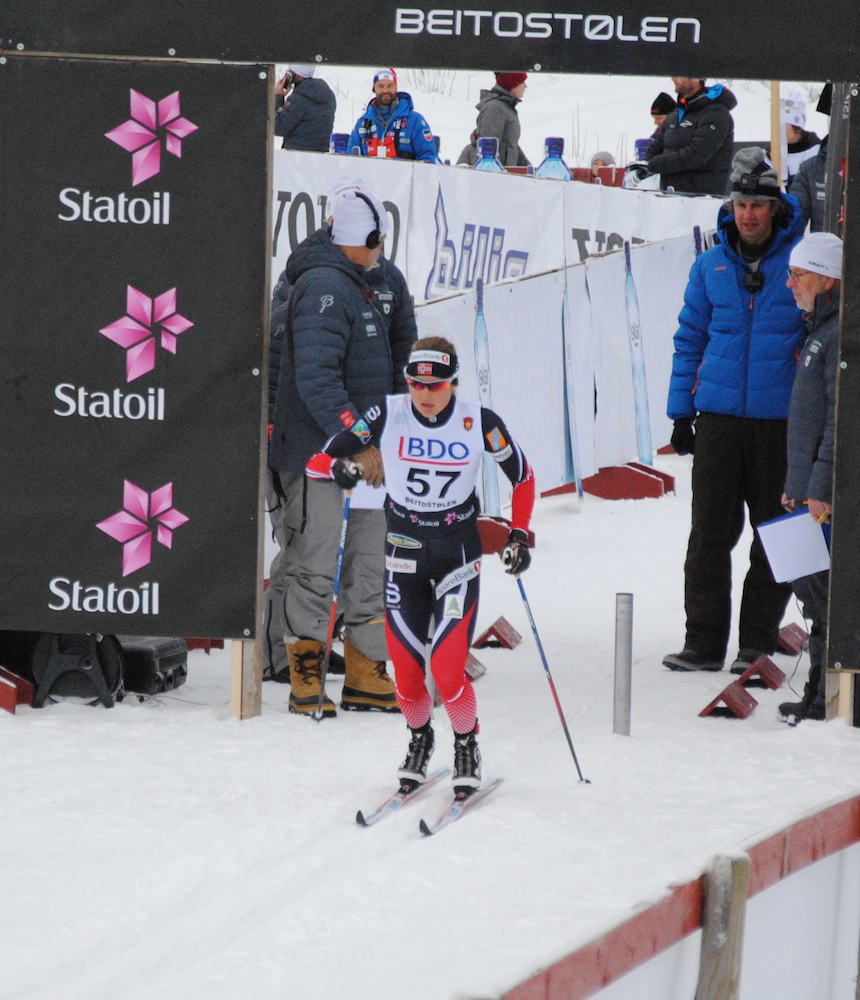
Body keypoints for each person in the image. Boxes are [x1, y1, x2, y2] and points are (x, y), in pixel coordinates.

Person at [306, 337, 535, 797]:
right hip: (404, 552)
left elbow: (523, 476)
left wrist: (520, 535)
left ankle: (466, 743)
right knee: (407, 674)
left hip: (457, 554)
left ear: (453, 383)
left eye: (436, 385)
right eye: (416, 383)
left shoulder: (479, 422)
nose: (425, 394)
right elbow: (317, 462)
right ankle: (420, 739)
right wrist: (340, 470)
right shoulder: (388, 413)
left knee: (448, 671)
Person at [270, 178, 415, 717]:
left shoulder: (362, 278)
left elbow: (394, 361)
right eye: (375, 242)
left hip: (365, 448)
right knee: (313, 561)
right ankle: (305, 675)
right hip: (321, 451)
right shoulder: (324, 286)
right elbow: (316, 377)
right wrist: (358, 440)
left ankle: (365, 670)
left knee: (370, 560)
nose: (380, 253)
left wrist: (386, 435)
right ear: (360, 238)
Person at [663, 147, 807, 674]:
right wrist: (682, 412)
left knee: (780, 534)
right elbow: (689, 338)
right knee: (708, 537)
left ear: (775, 208)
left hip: (780, 424)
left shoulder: (800, 263)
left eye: (758, 205)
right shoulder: (711, 264)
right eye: (741, 204)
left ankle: (757, 643)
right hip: (720, 420)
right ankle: (702, 644)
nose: (749, 214)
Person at [777, 233, 842, 723]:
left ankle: (824, 698)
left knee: (824, 594)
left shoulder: (836, 335)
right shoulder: (820, 332)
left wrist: (817, 487)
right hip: (810, 492)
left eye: (799, 274)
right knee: (811, 590)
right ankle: (817, 693)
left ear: (826, 278)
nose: (791, 283)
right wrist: (796, 485)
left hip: (824, 496)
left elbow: (838, 422)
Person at [638, 77, 737, 195]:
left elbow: (697, 155)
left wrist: (653, 164)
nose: (673, 79)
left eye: (679, 75)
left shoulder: (715, 112)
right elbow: (656, 146)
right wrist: (641, 166)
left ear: (696, 78)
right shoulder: (676, 114)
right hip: (669, 195)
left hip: (701, 199)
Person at [347, 68, 438, 162]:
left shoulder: (415, 120)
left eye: (390, 86)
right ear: (374, 89)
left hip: (405, 176)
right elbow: (350, 160)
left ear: (396, 87)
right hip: (369, 175)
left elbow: (428, 157)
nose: (385, 91)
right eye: (380, 86)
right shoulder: (363, 123)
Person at [274, 65, 336, 153]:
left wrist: (278, 97)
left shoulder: (300, 98)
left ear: (298, 74)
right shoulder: (328, 95)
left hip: (296, 157)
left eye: (289, 72)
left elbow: (277, 127)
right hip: (320, 155)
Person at [474, 72, 531, 168]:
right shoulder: (495, 108)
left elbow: (512, 146)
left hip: (506, 176)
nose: (526, 86)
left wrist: (529, 170)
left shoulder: (506, 108)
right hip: (496, 178)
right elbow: (488, 152)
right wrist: (500, 176)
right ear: (514, 83)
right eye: (522, 82)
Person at [782, 93, 821, 185]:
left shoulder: (817, 153)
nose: (778, 131)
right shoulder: (770, 154)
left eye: (783, 126)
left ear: (797, 128)